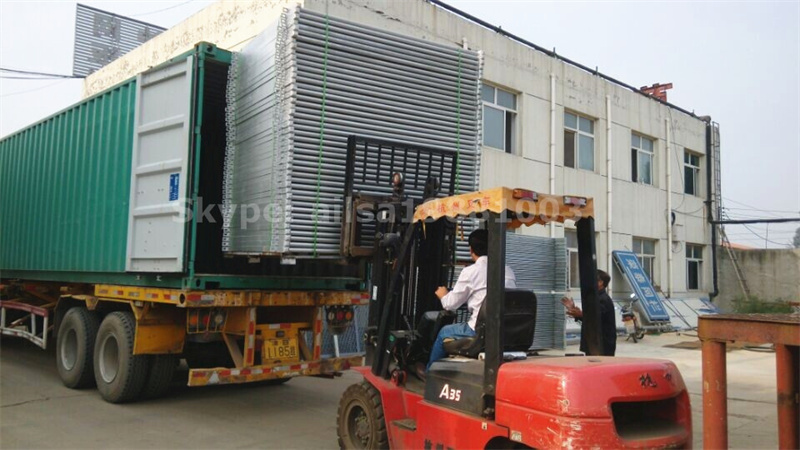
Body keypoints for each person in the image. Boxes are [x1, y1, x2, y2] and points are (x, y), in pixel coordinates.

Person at [426, 229, 517, 371]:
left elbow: (450, 305)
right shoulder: (508, 271)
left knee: (444, 331)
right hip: (506, 331)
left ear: (471, 249)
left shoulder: (471, 272)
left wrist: (443, 294)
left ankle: (430, 373)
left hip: (479, 331)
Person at [560, 270, 616, 356]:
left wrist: (579, 314)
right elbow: (590, 318)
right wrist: (574, 310)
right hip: (594, 343)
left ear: (600, 282)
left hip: (602, 345)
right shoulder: (596, 298)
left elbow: (595, 318)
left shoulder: (603, 300)